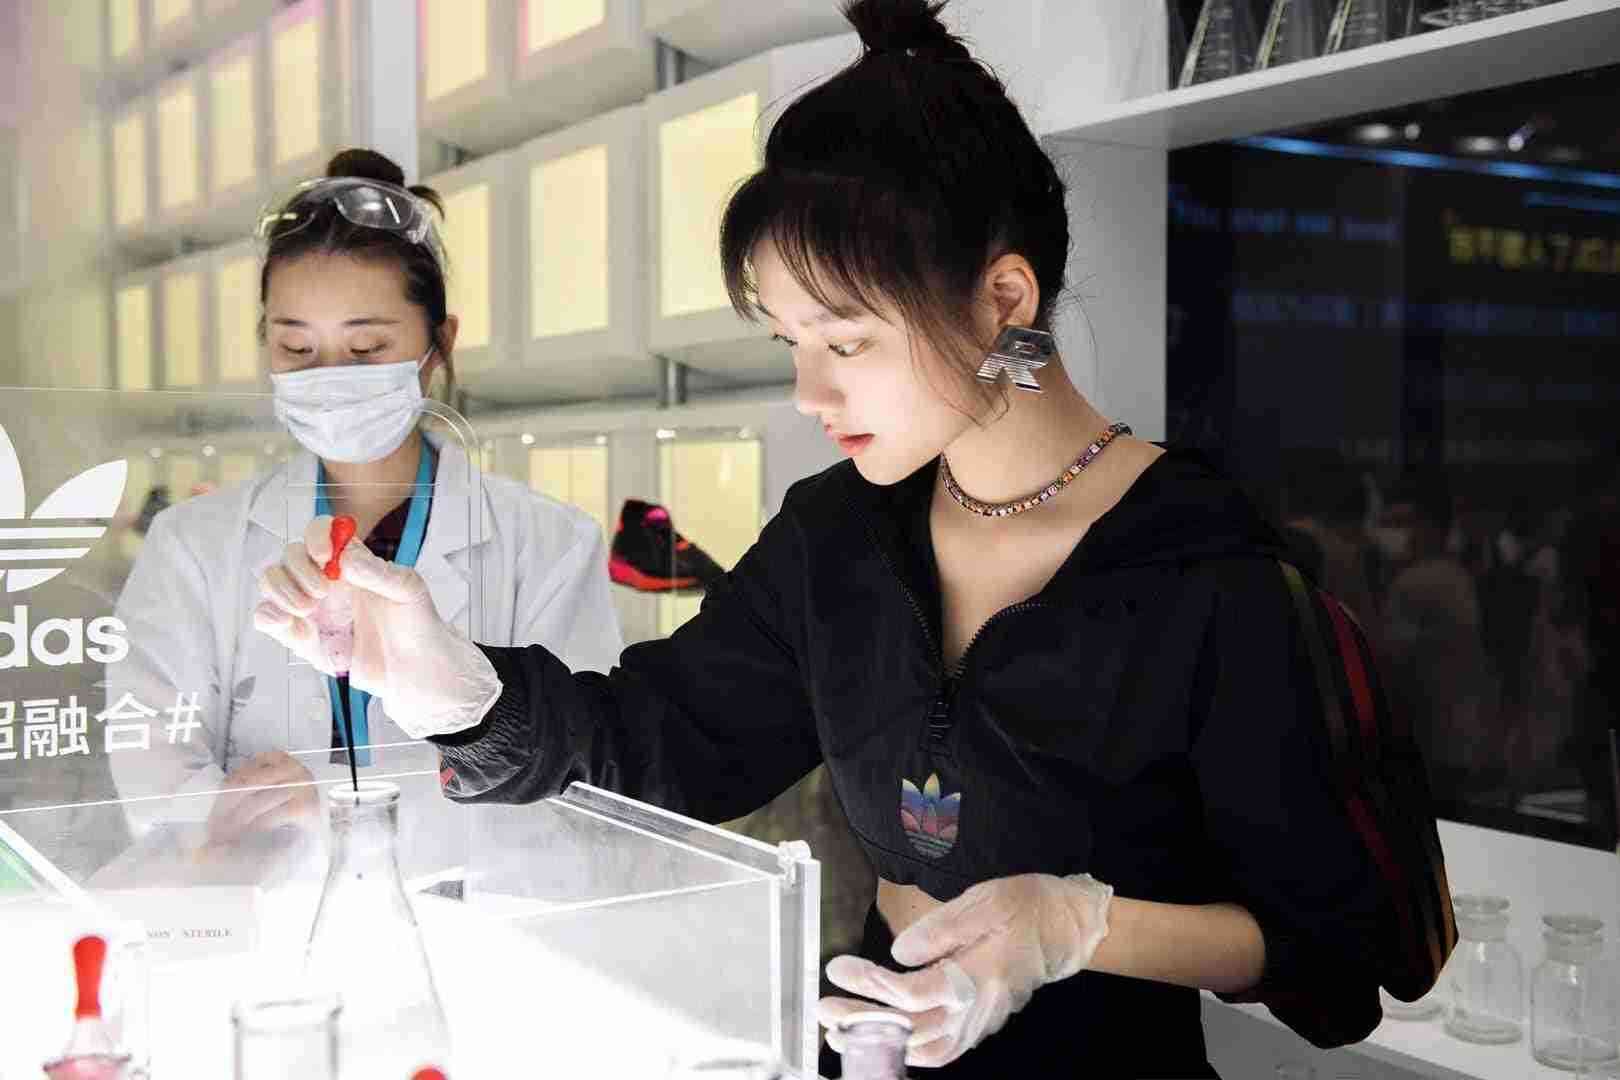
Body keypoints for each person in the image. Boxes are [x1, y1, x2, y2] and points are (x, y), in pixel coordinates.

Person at [256, 4, 1405, 1075]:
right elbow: (664, 739)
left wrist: (1074, 926)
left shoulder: (1208, 568)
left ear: (1004, 301)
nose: (810, 393)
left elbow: (1338, 954)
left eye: (845, 342)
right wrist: (455, 688)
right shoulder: (839, 538)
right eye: (789, 343)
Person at [108, 149, 623, 851]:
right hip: (260, 907)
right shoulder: (192, 543)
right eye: (296, 349)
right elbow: (152, 777)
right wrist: (243, 818)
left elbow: (577, 794)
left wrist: (327, 810)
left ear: (439, 344)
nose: (329, 378)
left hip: (474, 912)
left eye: (366, 348)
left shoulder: (548, 545)